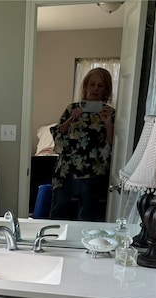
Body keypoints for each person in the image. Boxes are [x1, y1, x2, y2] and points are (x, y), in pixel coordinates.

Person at [49, 67, 115, 221]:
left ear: (106, 89)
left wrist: (108, 124)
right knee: (58, 212)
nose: (95, 89)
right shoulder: (72, 108)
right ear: (85, 87)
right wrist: (71, 119)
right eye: (92, 84)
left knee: (86, 217)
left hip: (92, 172)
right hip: (66, 171)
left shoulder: (109, 113)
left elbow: (113, 146)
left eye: (100, 86)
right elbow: (58, 134)